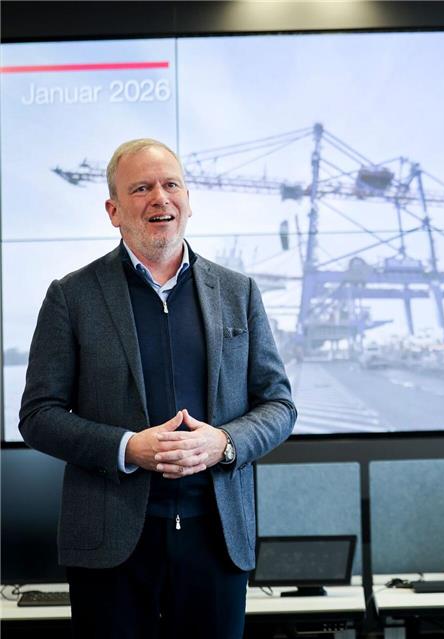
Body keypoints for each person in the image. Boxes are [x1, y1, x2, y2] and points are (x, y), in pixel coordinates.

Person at [19, 138, 297, 638]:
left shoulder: (238, 292)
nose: (160, 198)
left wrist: (225, 444)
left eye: (171, 185)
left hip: (217, 540)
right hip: (112, 545)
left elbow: (278, 404)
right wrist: (129, 448)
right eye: (142, 188)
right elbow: (39, 415)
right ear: (113, 210)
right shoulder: (71, 296)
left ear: (188, 200)